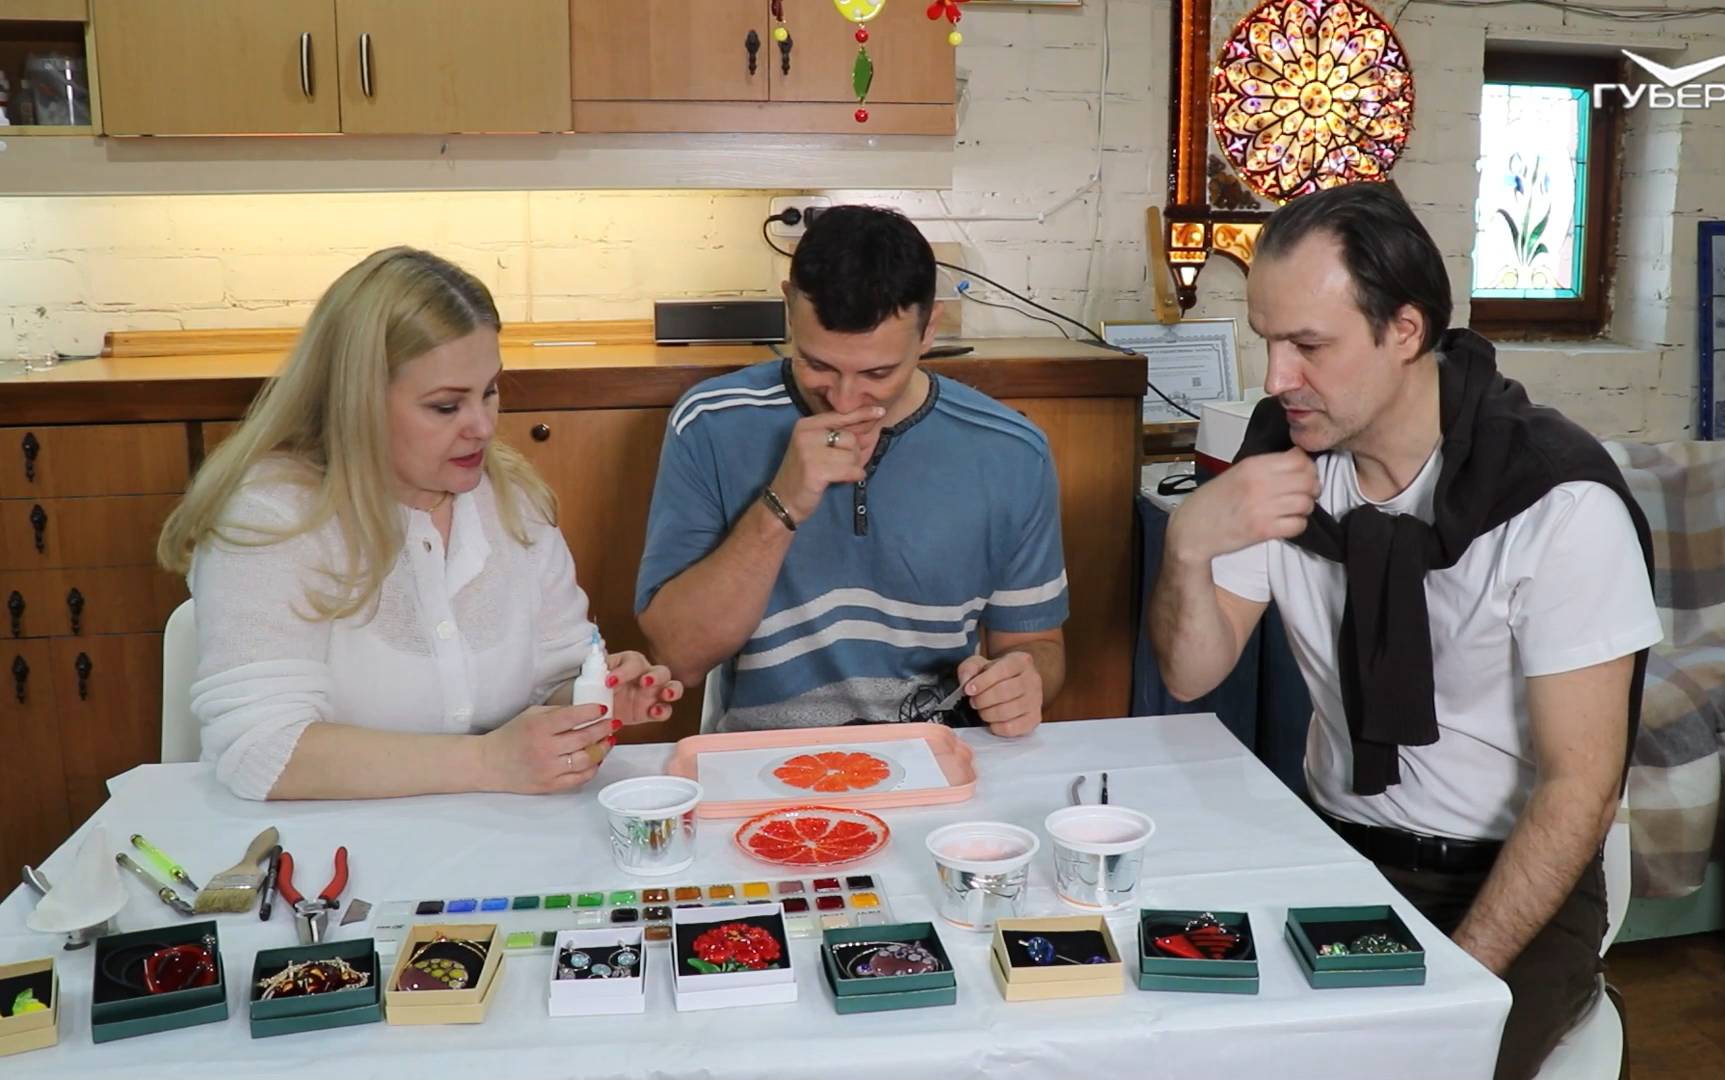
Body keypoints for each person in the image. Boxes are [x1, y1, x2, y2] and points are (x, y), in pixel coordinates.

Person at [1148, 183, 1661, 1080]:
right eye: (1268, 341)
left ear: (1406, 331)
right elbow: (1192, 673)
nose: (1275, 378)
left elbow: (1580, 790)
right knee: (1195, 1045)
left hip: (1508, 884)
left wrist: (1453, 989)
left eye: (1308, 346)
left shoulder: (1558, 502)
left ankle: (1569, 997)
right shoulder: (1283, 454)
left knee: (1410, 1066)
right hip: (1333, 850)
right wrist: (1188, 546)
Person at [158, 247, 682, 801]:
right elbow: (260, 750)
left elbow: (551, 679)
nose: (483, 426)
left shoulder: (513, 501)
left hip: (492, 832)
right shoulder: (272, 517)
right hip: (318, 841)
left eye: (490, 391)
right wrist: (487, 761)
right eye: (445, 406)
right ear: (357, 402)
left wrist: (590, 694)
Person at [635, 204, 1068, 735]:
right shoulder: (710, 423)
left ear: (929, 330)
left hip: (937, 753)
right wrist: (780, 506)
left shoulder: (1011, 451)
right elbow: (678, 656)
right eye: (817, 364)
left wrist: (1023, 683)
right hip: (760, 759)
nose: (843, 400)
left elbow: (1035, 645)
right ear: (789, 307)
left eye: (877, 373)